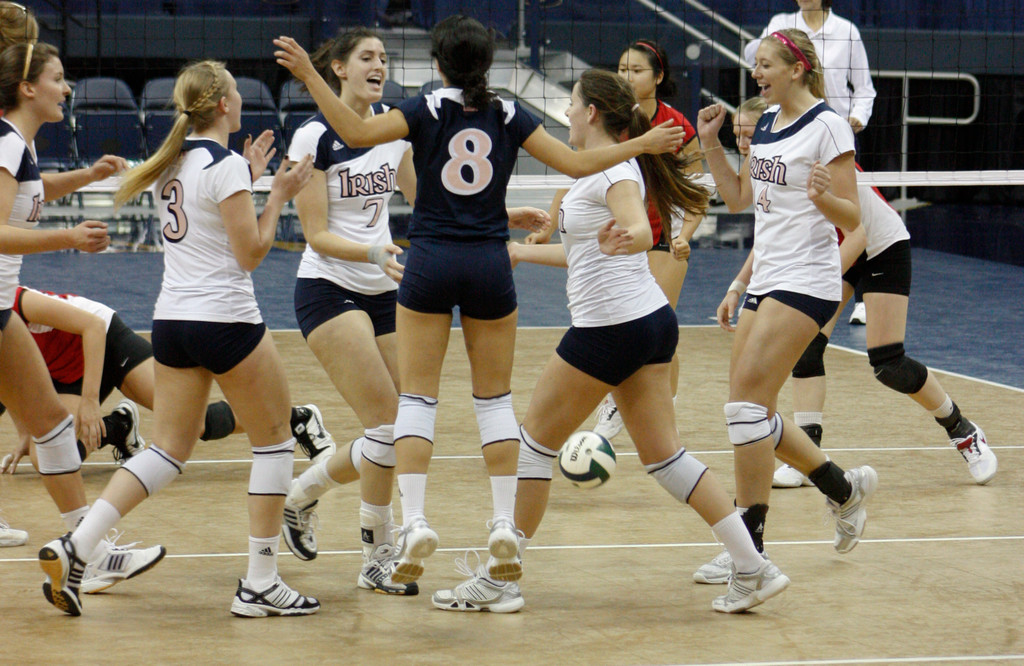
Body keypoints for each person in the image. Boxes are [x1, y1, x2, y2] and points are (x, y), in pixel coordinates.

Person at [273, 15, 686, 587]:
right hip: (484, 263)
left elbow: (363, 136)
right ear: (487, 65)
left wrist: (306, 75)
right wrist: (641, 142)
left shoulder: (422, 110)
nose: (378, 67)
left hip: (427, 264)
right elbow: (573, 163)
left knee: (414, 403)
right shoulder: (508, 111)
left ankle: (413, 520)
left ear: (437, 63)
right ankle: (498, 523)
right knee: (493, 403)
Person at [430, 69, 789, 614]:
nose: (566, 115)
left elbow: (640, 228)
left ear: (591, 112)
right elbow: (586, 251)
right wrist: (523, 253)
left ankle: (502, 578)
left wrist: (636, 237)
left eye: (571, 106)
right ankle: (753, 566)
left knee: (532, 444)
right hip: (646, 323)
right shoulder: (596, 171)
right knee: (665, 457)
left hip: (611, 329)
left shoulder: (616, 169)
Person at [37, 60, 319, 618]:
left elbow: (213, 222)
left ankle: (79, 545)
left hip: (172, 322)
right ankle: (261, 582)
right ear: (223, 106)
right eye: (236, 93)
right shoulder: (225, 164)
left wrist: (254, 180)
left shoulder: (175, 163)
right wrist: (279, 194)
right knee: (275, 440)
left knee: (168, 449)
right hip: (225, 319)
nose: (242, 101)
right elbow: (250, 254)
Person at [719, 100, 997, 490]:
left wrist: (812, 283)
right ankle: (807, 456)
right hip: (829, 255)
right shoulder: (769, 164)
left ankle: (962, 430)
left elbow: (858, 233)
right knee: (806, 348)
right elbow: (769, 237)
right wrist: (738, 285)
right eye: (736, 134)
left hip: (879, 246)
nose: (743, 140)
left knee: (888, 363)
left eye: (748, 131)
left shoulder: (817, 153)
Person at [692, 30, 877, 584]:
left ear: (796, 68)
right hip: (767, 276)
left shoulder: (828, 126)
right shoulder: (768, 122)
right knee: (751, 412)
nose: (757, 74)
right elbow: (740, 199)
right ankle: (844, 490)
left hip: (809, 279)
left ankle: (748, 548)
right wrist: (711, 145)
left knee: (745, 411)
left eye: (766, 65)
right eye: (756, 67)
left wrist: (824, 198)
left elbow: (852, 219)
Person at [277, 27, 420, 596]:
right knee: (386, 422)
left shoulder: (392, 128)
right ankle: (376, 555)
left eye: (383, 58)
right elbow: (314, 234)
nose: (378, 64)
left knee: (404, 424)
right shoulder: (313, 136)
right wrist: (370, 250)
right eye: (366, 57)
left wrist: (497, 221)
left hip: (382, 286)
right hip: (329, 286)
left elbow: (427, 201)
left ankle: (301, 494)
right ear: (338, 68)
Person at [528, 39, 704, 443]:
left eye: (636, 70)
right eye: (622, 69)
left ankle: (651, 405)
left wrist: (682, 235)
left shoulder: (673, 125)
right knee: (651, 328)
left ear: (658, 77)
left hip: (658, 237)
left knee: (655, 321)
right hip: (620, 236)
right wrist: (548, 226)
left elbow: (695, 187)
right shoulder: (607, 135)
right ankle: (642, 409)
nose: (627, 76)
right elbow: (576, 177)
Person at [0, 285, 336, 472]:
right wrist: (26, 433)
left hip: (106, 342)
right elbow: (10, 388)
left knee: (193, 424)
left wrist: (88, 401)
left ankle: (296, 419)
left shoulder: (18, 303)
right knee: (50, 455)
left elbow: (93, 326)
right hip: (69, 370)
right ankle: (120, 428)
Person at [743, 0, 875, 136]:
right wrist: (776, 41)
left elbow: (865, 89)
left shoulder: (847, 31)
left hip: (835, 131)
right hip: (787, 130)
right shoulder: (781, 23)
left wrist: (858, 116)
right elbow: (751, 56)